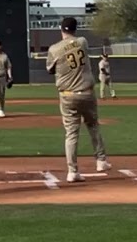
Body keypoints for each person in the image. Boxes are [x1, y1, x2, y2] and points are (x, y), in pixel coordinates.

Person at [46, 17, 109, 183]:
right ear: (75, 29)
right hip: (87, 92)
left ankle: (72, 171)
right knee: (93, 126)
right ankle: (101, 161)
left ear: (61, 29)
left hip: (67, 95)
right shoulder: (82, 42)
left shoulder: (54, 49)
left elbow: (50, 70)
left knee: (71, 133)